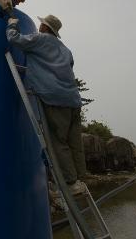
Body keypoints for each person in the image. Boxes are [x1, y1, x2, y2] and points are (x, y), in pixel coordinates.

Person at [6, 14, 86, 195]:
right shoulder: (66, 50)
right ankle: (81, 179)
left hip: (54, 97)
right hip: (73, 100)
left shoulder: (39, 39)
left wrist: (11, 25)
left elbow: (15, 39)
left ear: (45, 27)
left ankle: (70, 183)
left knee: (58, 142)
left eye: (42, 24)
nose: (39, 26)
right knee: (74, 142)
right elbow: (69, 66)